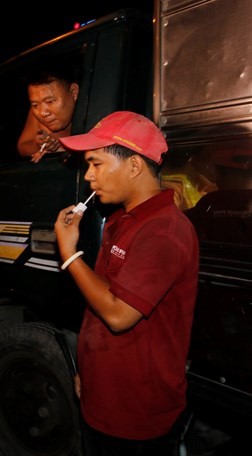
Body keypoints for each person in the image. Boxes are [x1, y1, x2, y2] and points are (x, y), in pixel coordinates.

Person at [53, 111, 199, 455]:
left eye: (96, 164)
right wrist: (90, 374)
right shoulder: (123, 220)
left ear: (134, 166)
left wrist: (69, 254)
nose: (88, 176)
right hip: (105, 398)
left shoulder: (164, 231)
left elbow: (119, 314)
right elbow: (99, 303)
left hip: (137, 414)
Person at [17, 69, 79, 163]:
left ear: (74, 92)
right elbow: (23, 146)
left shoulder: (94, 109)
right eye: (35, 105)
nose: (43, 113)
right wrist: (38, 145)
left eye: (50, 101)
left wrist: (63, 148)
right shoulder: (38, 110)